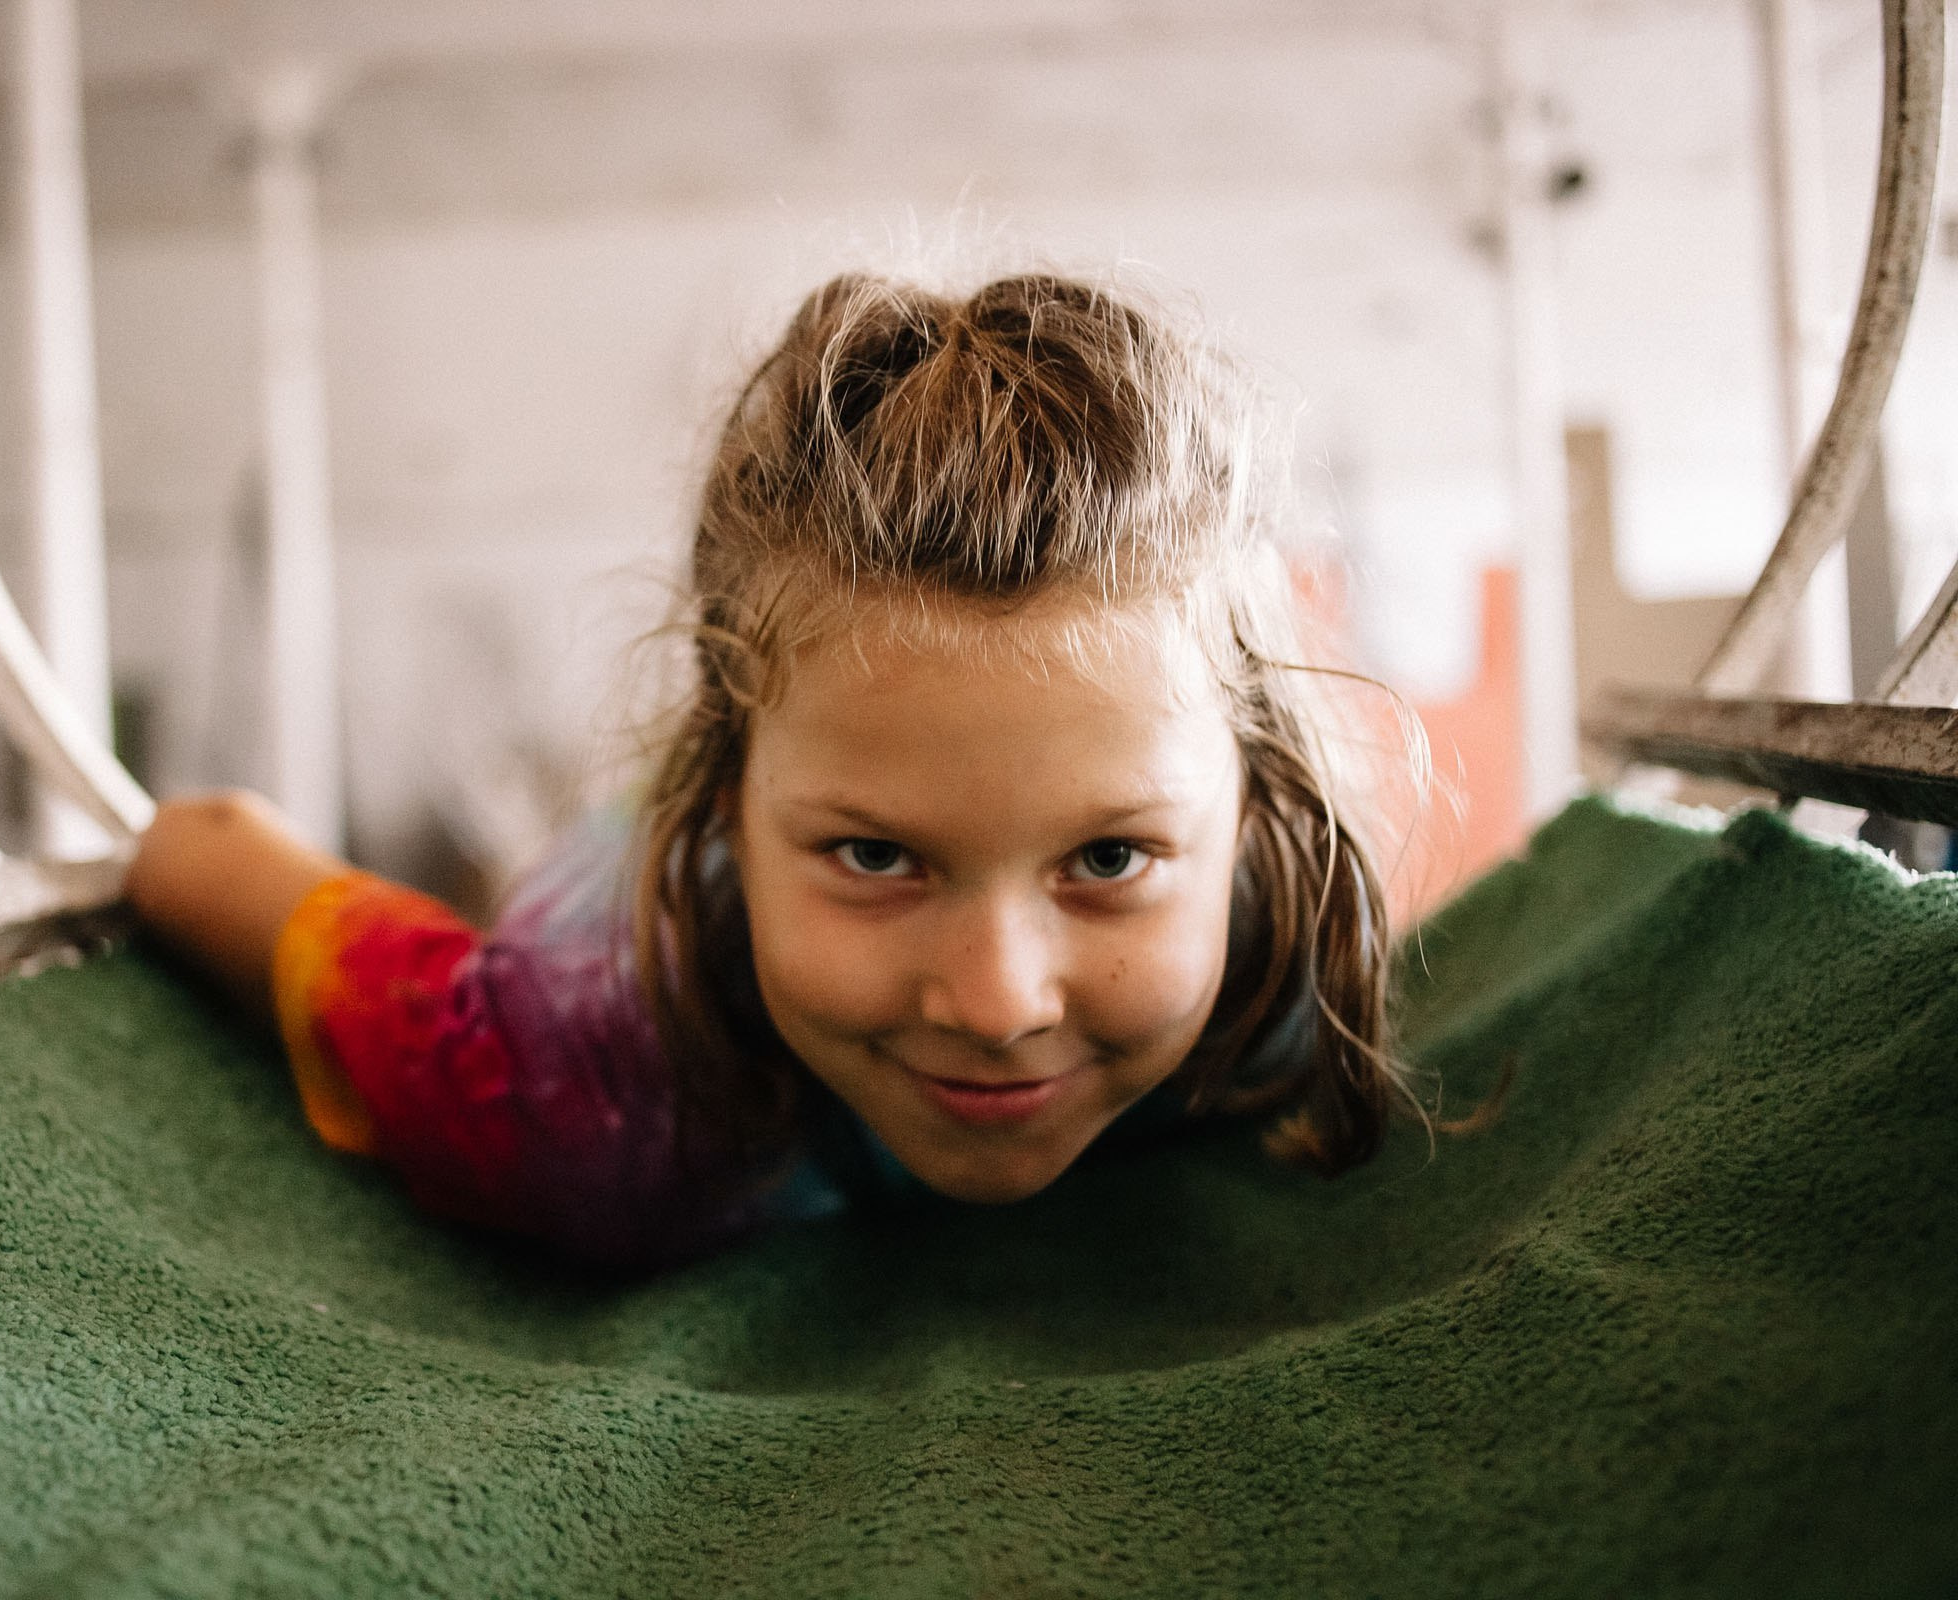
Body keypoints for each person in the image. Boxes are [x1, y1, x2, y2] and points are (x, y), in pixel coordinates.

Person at [126, 270, 1423, 1270]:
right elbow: (200, 848)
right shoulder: (579, 1077)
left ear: (1262, 814)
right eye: (875, 855)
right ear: (723, 800)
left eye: (1107, 859)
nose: (996, 1001)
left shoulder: (1281, 984)